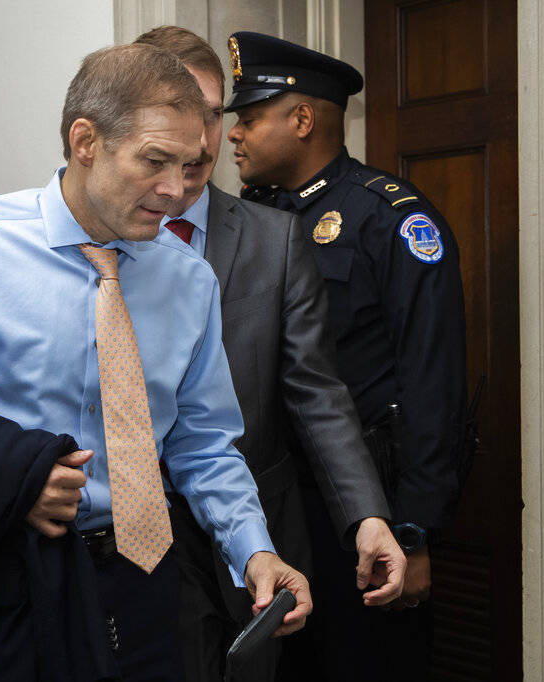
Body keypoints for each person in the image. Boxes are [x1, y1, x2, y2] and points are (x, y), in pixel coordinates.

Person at [0, 43, 311, 682]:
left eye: (188, 165)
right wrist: (9, 478)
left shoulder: (189, 281)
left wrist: (255, 552)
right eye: (155, 162)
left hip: (143, 585)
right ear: (85, 141)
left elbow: (202, 443)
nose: (176, 190)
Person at [133, 26, 406, 682]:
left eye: (210, 114)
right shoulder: (94, 243)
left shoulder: (275, 239)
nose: (200, 140)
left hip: (254, 530)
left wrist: (367, 516)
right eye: (176, 116)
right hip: (131, 541)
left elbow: (317, 393)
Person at [224, 31, 469, 681]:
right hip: (276, 508)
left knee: (370, 664)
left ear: (301, 119)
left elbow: (432, 389)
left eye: (249, 118)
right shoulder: (251, 222)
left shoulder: (390, 222)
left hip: (369, 511)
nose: (232, 135)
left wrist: (414, 534)